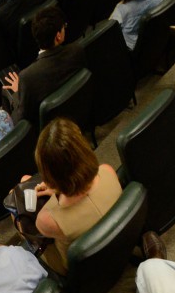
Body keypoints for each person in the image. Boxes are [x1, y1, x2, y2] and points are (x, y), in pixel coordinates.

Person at [26, 117, 122, 275]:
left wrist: (56, 191)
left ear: (51, 175)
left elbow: (41, 226)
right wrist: (58, 190)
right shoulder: (108, 171)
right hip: (116, 244)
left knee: (21, 214)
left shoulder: (47, 220)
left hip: (81, 268)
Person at [3, 6, 86, 125]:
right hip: (78, 113)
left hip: (49, 129)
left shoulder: (28, 77)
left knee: (5, 90)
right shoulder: (77, 50)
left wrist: (18, 92)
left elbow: (23, 116)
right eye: (64, 27)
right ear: (58, 36)